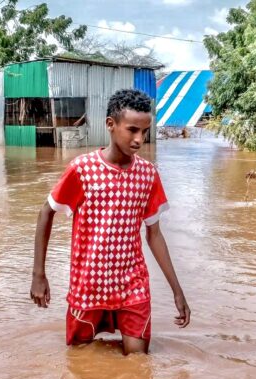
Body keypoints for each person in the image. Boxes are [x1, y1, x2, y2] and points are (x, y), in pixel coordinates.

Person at [30, 89, 190, 355]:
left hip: (133, 284)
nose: (139, 139)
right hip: (88, 284)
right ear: (110, 124)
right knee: (82, 360)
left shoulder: (148, 175)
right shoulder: (82, 169)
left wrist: (177, 290)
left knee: (138, 361)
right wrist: (38, 274)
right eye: (132, 130)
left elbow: (154, 235)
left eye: (145, 131)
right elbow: (46, 212)